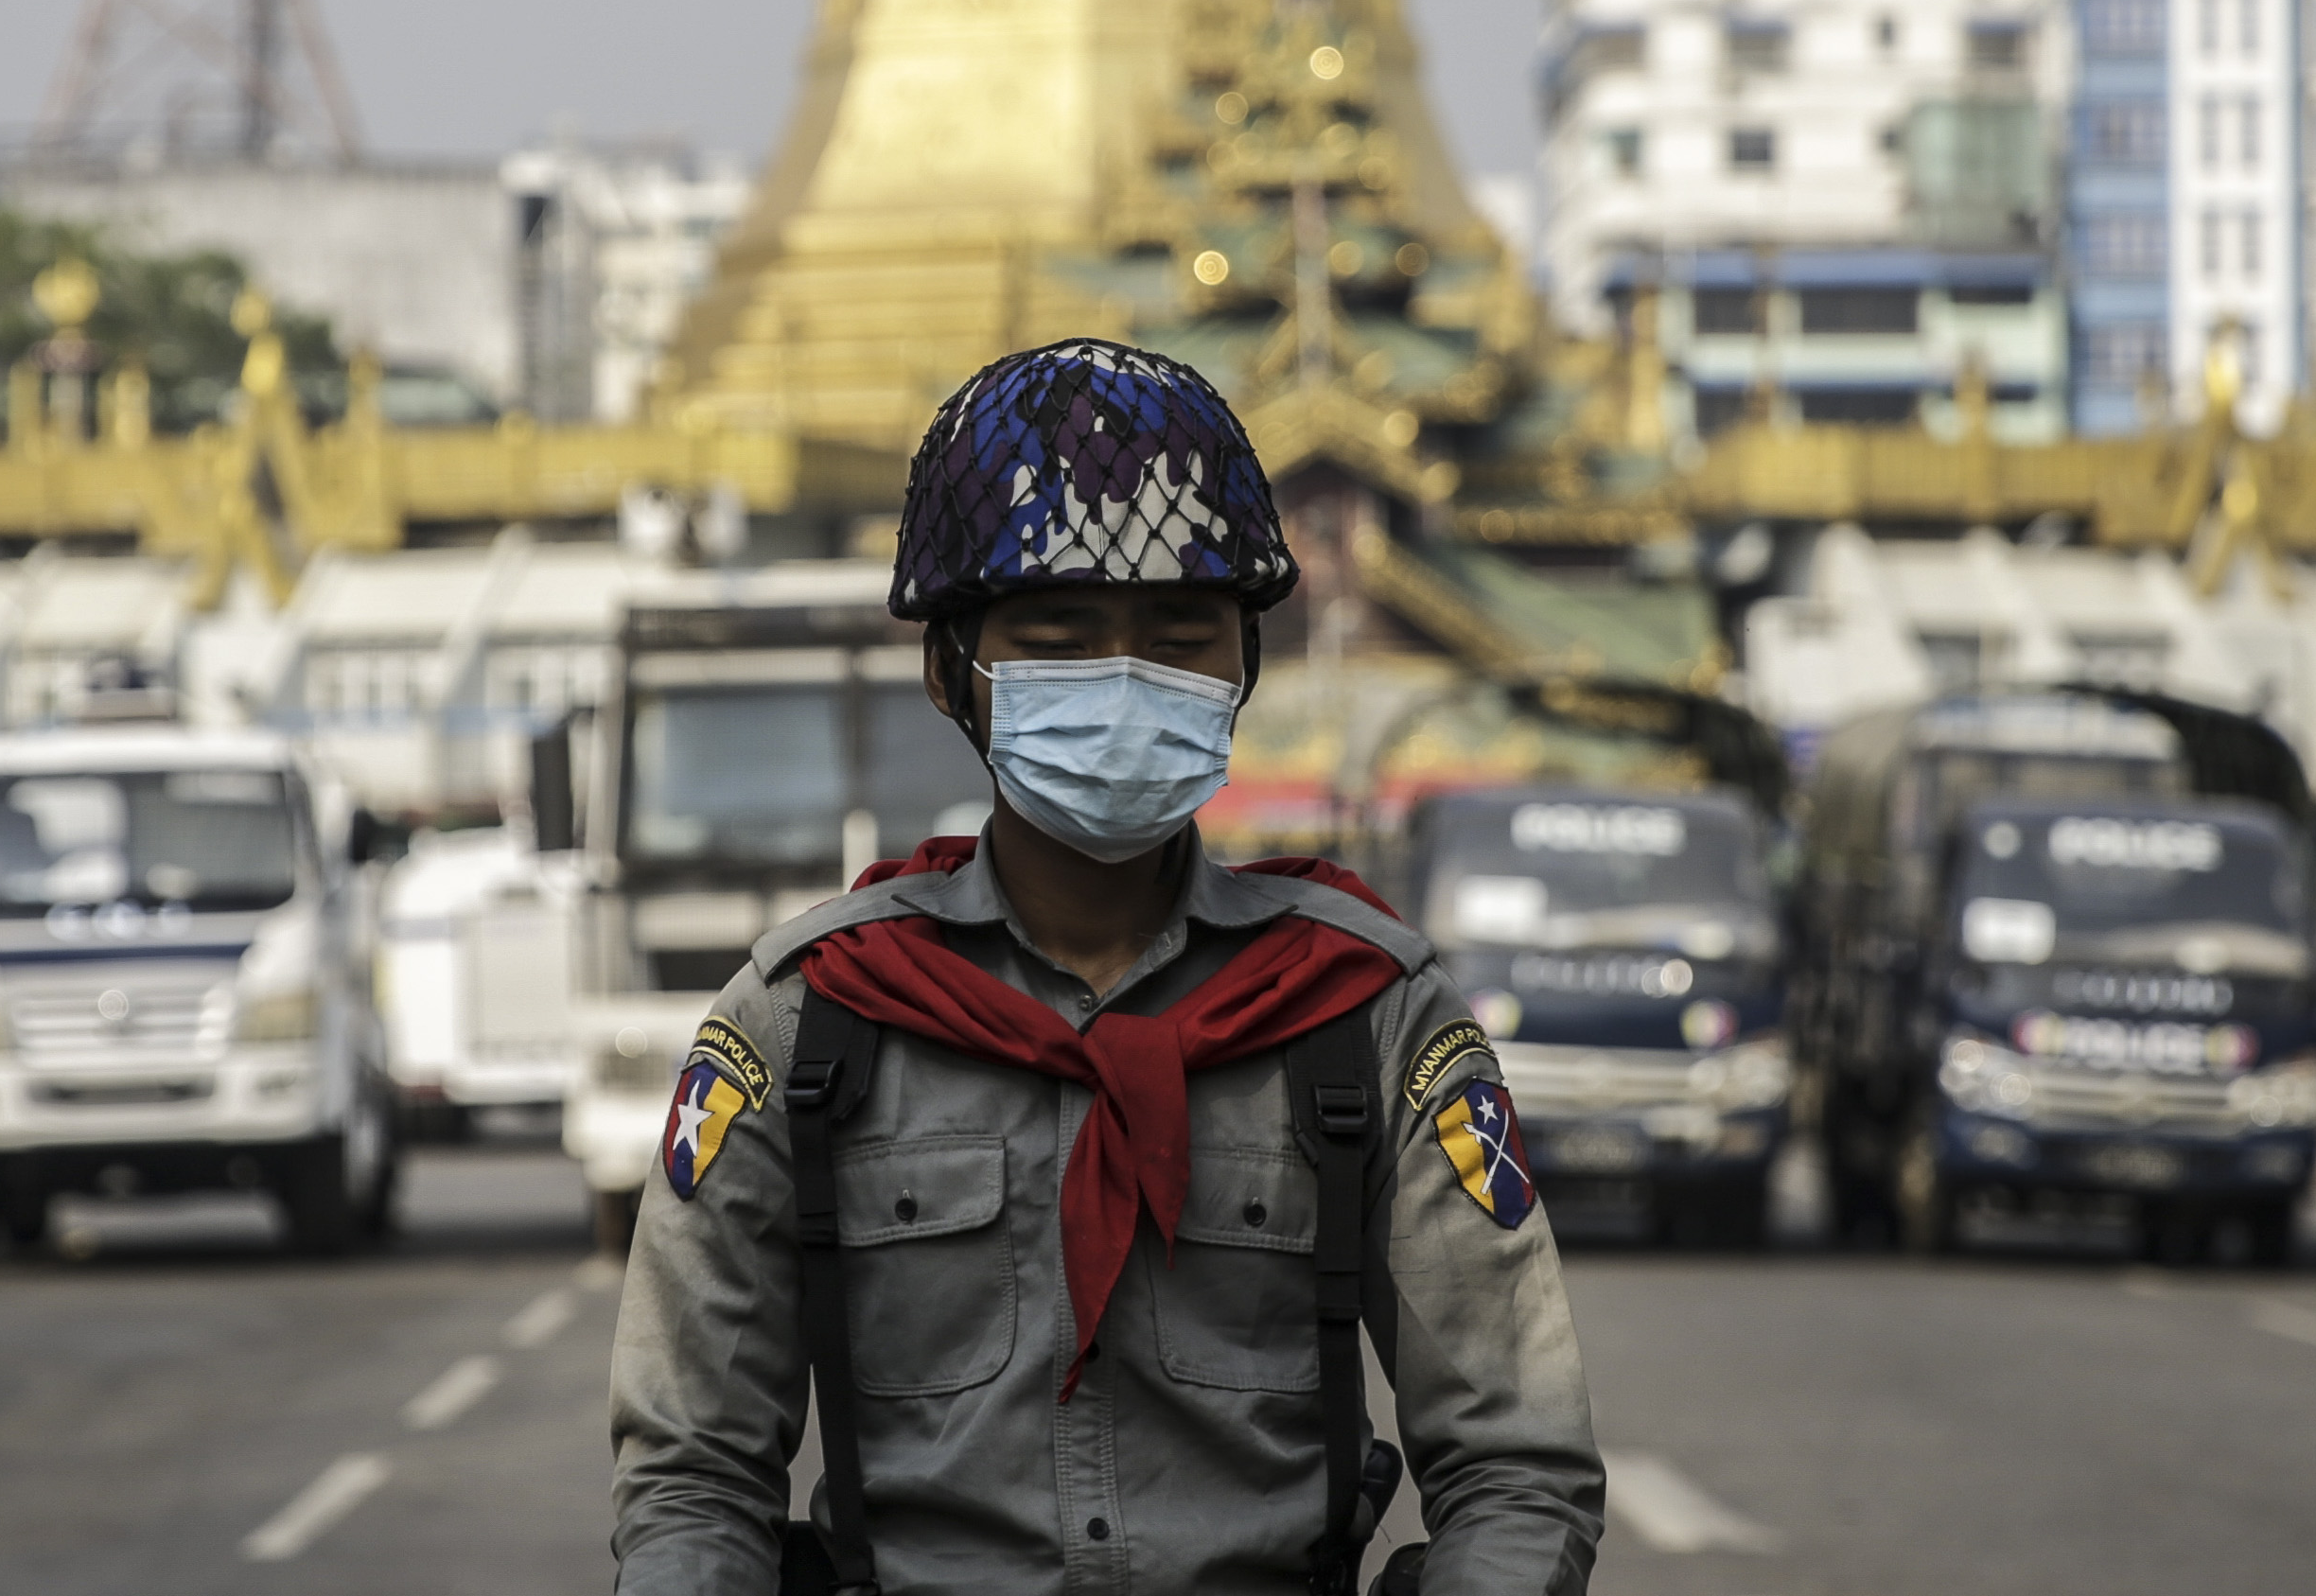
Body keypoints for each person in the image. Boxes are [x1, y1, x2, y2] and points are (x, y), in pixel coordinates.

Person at [609, 340, 1607, 1596]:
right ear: (947, 672)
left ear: (1242, 667)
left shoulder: (1367, 1015)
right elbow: (693, 1478)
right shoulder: (803, 1023)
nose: (1125, 677)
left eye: (1178, 635)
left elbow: (1517, 1466)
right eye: (1061, 637)